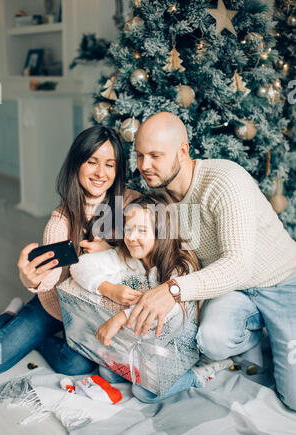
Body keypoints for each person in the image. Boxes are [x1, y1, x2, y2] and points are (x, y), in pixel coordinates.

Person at [124, 111, 296, 411]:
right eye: (139, 155)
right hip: (233, 291)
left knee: (293, 399)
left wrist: (173, 290)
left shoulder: (224, 181)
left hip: (282, 282)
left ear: (182, 151)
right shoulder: (162, 199)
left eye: (155, 155)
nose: (144, 166)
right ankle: (253, 336)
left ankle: (276, 333)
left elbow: (238, 265)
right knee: (212, 340)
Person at [0, 125, 139, 375]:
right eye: (92, 161)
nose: (100, 172)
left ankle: (33, 336)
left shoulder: (131, 204)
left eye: (110, 164)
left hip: (97, 310)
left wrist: (112, 252)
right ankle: (13, 315)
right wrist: (32, 279)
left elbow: (150, 253)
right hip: (56, 305)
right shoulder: (60, 220)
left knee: (75, 365)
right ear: (77, 164)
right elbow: (51, 278)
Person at [69, 192, 231, 403]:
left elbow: (168, 310)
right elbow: (79, 266)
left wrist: (121, 318)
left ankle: (201, 372)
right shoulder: (128, 255)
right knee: (106, 371)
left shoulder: (182, 266)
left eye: (142, 230)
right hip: (147, 340)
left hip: (180, 343)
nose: (131, 237)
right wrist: (109, 289)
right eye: (128, 229)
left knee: (145, 392)